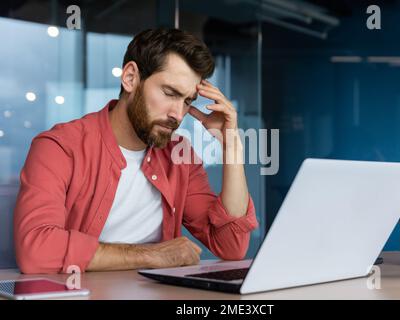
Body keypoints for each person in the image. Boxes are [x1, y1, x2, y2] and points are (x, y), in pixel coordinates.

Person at [14, 28, 258, 274]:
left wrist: (231, 146)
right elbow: (36, 251)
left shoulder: (179, 155)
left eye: (187, 101)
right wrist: (153, 255)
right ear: (130, 77)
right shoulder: (59, 147)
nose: (177, 114)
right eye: (169, 93)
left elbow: (231, 246)